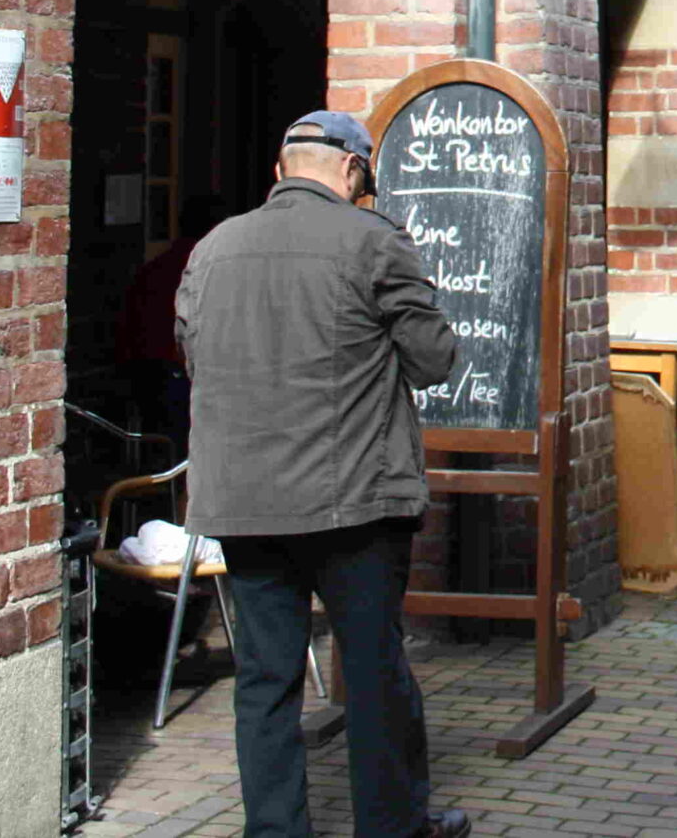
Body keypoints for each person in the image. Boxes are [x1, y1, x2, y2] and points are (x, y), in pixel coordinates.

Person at [176, 110, 470, 838]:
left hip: (245, 503)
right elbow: (434, 359)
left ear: (280, 171)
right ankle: (391, 827)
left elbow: (194, 356)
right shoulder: (373, 240)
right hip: (354, 503)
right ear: (352, 170)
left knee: (264, 679)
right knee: (372, 672)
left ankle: (276, 830)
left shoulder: (213, 247)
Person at [117, 194, 224, 447]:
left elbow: (127, 328)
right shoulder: (208, 270)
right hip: (186, 378)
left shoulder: (154, 267)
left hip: (144, 375)